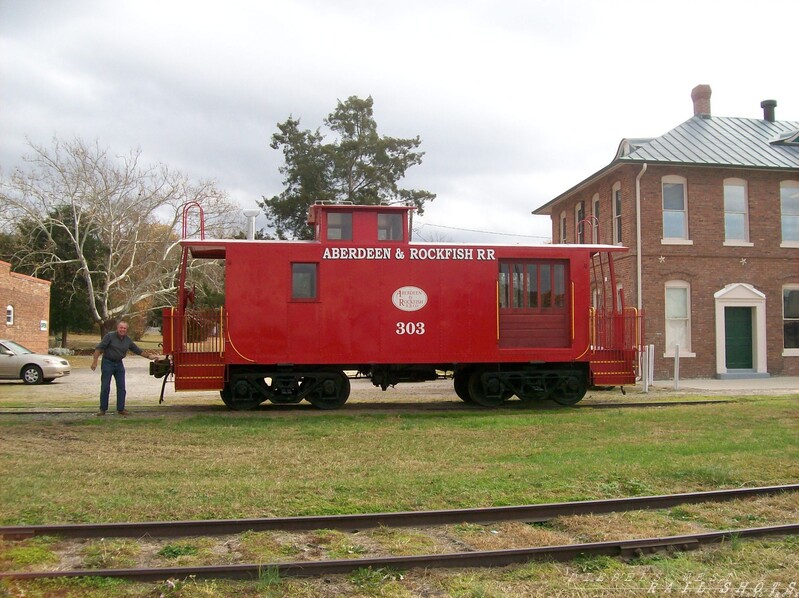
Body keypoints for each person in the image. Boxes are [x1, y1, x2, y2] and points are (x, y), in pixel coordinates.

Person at [91, 321, 156, 416]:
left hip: (119, 363)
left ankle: (121, 409)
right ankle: (102, 409)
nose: (122, 330)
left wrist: (149, 357)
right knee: (105, 387)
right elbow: (99, 348)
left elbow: (137, 350)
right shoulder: (110, 336)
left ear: (126, 330)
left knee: (121, 387)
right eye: (121, 328)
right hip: (107, 362)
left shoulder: (127, 340)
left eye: (124, 328)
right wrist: (95, 361)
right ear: (117, 328)